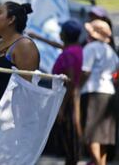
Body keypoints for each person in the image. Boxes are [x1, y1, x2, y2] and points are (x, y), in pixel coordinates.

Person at [80, 19, 119, 165]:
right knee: (103, 136)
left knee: (91, 135)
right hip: (109, 93)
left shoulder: (90, 48)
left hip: (93, 92)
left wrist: (78, 88)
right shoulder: (111, 51)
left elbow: (85, 72)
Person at [51, 19, 83, 165]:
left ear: (65, 34)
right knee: (70, 143)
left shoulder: (68, 54)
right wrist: (38, 37)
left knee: (70, 143)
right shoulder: (76, 49)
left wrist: (62, 109)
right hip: (70, 98)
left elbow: (70, 82)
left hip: (67, 99)